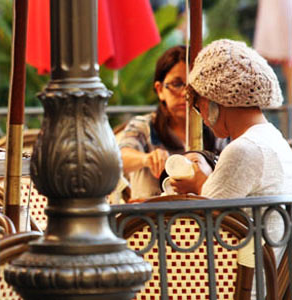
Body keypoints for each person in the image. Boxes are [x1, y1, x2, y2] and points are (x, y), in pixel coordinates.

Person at [171, 39, 292, 269]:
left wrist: (196, 186)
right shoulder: (274, 139)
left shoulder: (244, 149)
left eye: (198, 108)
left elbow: (200, 227)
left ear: (209, 102)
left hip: (237, 285)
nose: (203, 118)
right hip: (262, 277)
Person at [118, 45, 223, 199]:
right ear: (160, 90)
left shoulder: (217, 128)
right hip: (152, 219)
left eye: (193, 86)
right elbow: (119, 158)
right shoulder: (144, 126)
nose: (185, 94)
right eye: (176, 84)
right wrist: (146, 159)